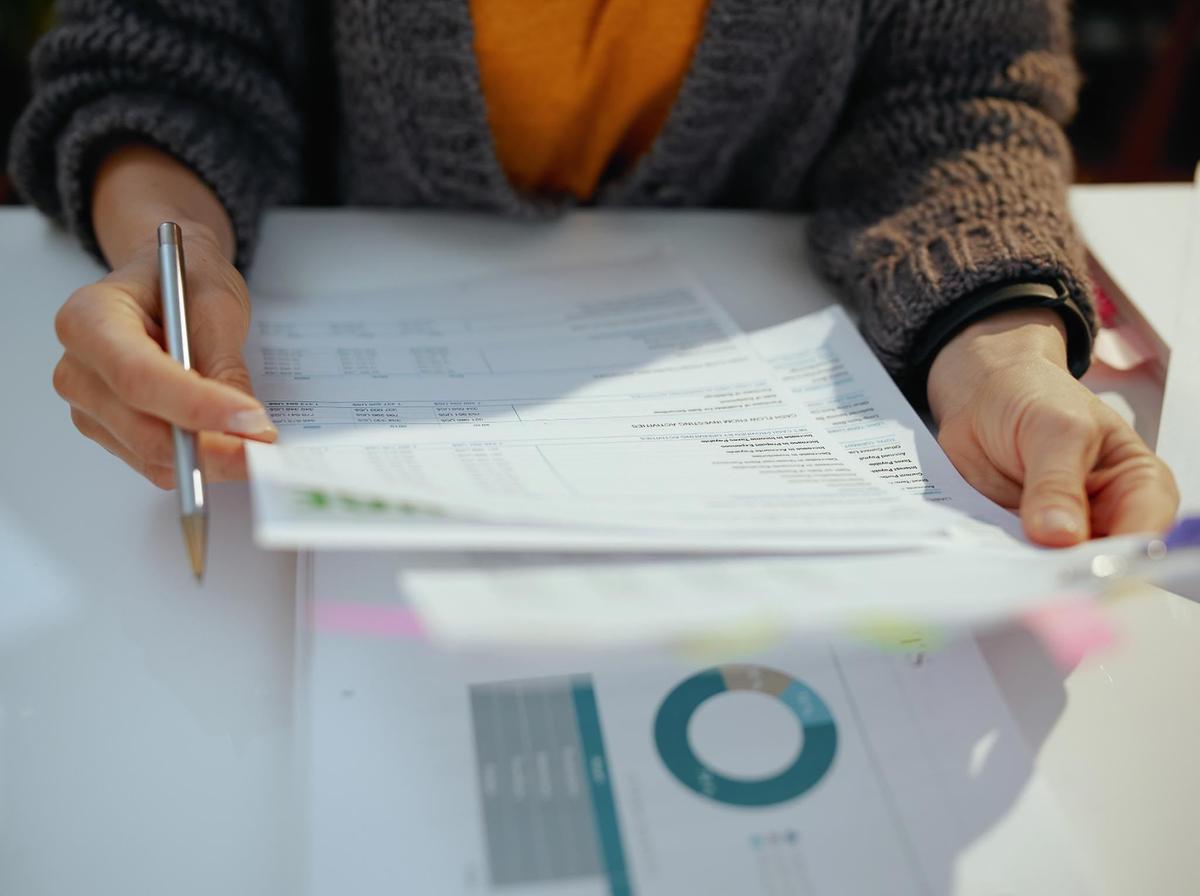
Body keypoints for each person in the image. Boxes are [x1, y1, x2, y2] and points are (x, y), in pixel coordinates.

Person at [9, 0, 1178, 547]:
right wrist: (171, 249)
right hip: (321, 439)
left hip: (792, 457)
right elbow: (159, 65)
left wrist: (1003, 344)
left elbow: (956, 99)